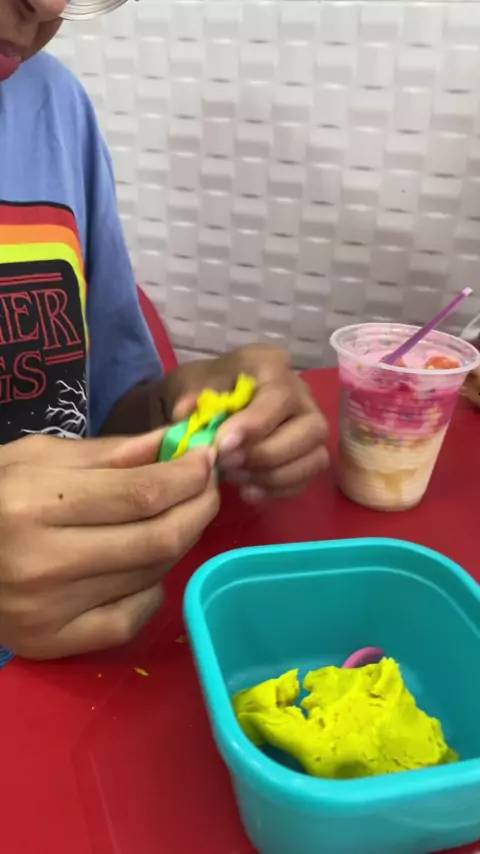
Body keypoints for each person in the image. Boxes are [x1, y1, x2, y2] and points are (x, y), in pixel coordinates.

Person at [0, 0, 329, 660]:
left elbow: (100, 414)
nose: (48, 6)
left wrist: (187, 411)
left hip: (74, 670)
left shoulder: (50, 102)